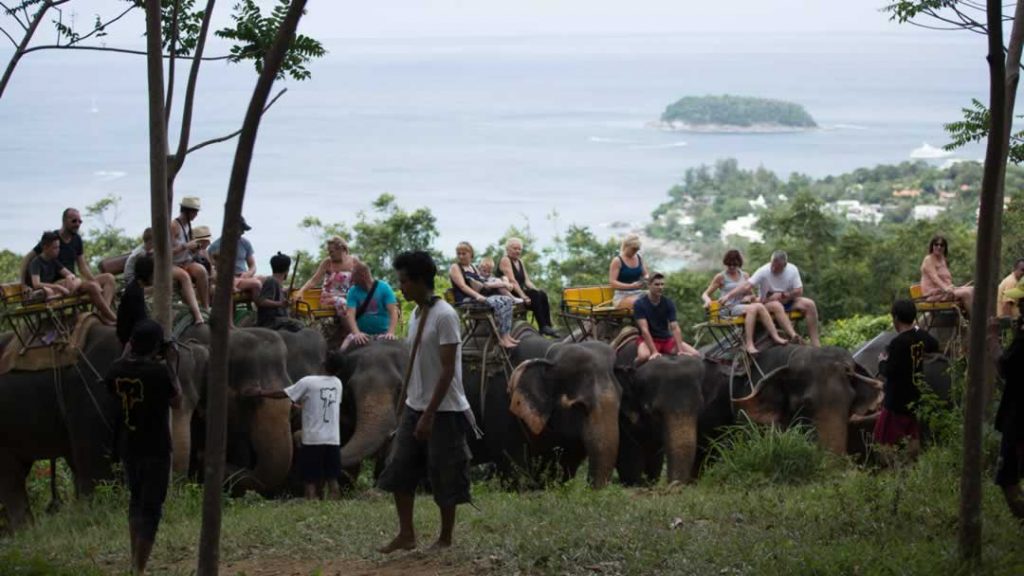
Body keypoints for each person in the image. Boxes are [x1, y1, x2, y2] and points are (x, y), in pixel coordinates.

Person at [378, 251, 473, 553]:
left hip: (443, 410)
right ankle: (406, 534)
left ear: (420, 281)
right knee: (399, 469)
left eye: (404, 281)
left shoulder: (445, 315)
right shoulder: (417, 314)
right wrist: (412, 405)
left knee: (445, 472)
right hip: (414, 404)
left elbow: (447, 370)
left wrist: (429, 414)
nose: (401, 288)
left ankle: (445, 539)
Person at [105, 320, 181, 575]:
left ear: (132, 343)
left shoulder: (115, 370)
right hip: (156, 447)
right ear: (156, 345)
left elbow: (114, 382)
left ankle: (133, 560)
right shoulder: (158, 372)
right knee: (151, 508)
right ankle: (140, 568)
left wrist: (131, 351)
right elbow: (177, 401)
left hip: (129, 445)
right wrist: (171, 362)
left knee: (135, 502)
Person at [244, 356, 344, 500]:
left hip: (313, 439)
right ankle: (334, 505)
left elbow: (284, 393)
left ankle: (310, 502)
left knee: (309, 478)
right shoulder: (337, 383)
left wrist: (260, 392)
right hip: (333, 439)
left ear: (323, 364)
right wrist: (302, 407)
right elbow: (324, 404)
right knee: (332, 478)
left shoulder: (309, 381)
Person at [873, 299, 939, 457]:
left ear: (895, 318)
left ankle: (890, 470)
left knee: (884, 443)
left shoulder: (898, 343)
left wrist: (882, 362)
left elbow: (889, 371)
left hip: (896, 401)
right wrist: (918, 330)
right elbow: (934, 344)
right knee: (911, 439)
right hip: (915, 396)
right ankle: (911, 470)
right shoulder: (920, 337)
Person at [21, 208, 118, 307]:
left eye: (80, 221)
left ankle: (103, 314)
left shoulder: (77, 239)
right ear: (64, 221)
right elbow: (27, 258)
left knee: (109, 278)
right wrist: (23, 285)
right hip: (60, 283)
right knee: (91, 286)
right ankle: (107, 316)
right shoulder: (53, 239)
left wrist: (93, 280)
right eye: (74, 221)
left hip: (72, 280)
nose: (77, 224)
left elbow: (82, 266)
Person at [701, 249, 790, 355]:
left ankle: (775, 336)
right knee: (753, 308)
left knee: (759, 306)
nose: (732, 267)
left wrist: (749, 297)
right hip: (728, 308)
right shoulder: (721, 277)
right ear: (726, 264)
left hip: (742, 306)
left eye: (735, 264)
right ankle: (749, 344)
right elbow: (705, 294)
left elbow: (751, 294)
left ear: (739, 264)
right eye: (729, 265)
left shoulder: (745, 276)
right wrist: (708, 301)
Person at [725, 250, 820, 347]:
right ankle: (794, 336)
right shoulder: (763, 271)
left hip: (788, 300)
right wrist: (728, 296)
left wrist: (785, 295)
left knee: (810, 304)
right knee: (776, 305)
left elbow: (799, 291)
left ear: (784, 265)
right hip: (768, 302)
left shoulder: (792, 270)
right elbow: (746, 286)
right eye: (772, 265)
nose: (773, 269)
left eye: (777, 267)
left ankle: (815, 342)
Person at [24, 231, 117, 324]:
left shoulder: (53, 260)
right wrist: (58, 287)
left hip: (66, 287)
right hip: (51, 290)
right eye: (55, 248)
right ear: (45, 248)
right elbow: (36, 284)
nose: (58, 250)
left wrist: (70, 277)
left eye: (58, 247)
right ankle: (113, 318)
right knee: (87, 285)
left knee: (96, 279)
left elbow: (69, 274)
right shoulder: (36, 262)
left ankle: (103, 314)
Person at [990, 288, 1024, 522]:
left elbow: (1004, 368)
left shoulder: (1022, 342)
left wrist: (992, 339)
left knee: (1007, 477)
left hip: (1019, 418)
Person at [125, 228, 205, 325]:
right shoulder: (140, 255)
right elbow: (136, 280)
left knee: (181, 277)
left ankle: (197, 312)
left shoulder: (149, 252)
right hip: (137, 286)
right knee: (166, 286)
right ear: (150, 242)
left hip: (147, 278)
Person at [448, 241, 519, 348]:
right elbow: (463, 286)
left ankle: (506, 335)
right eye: (459, 254)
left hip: (479, 296)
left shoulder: (473, 267)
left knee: (507, 300)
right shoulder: (455, 267)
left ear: (471, 254)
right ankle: (501, 338)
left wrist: (499, 282)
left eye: (464, 253)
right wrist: (477, 296)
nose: (461, 256)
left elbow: (482, 282)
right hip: (467, 299)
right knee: (499, 302)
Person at [633, 272, 700, 365]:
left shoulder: (668, 303)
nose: (660, 287)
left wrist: (680, 350)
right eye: (656, 284)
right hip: (649, 339)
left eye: (662, 284)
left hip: (666, 339)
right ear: (649, 285)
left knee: (695, 354)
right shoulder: (639, 304)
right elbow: (644, 330)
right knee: (643, 356)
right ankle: (631, 368)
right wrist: (654, 351)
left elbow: (675, 327)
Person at [498, 237, 557, 337]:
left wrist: (536, 289)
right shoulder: (505, 260)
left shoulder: (520, 261)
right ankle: (542, 326)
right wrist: (524, 296)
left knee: (541, 294)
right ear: (508, 249)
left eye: (519, 249)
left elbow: (527, 281)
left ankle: (548, 326)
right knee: (534, 295)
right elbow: (512, 280)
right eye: (514, 248)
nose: (517, 251)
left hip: (520, 290)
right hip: (510, 292)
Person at [340, 261, 399, 351]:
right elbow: (350, 314)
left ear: (362, 275)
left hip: (383, 333)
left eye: (354, 276)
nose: (351, 279)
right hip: (361, 333)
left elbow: (393, 312)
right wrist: (357, 333)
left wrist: (390, 332)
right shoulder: (353, 291)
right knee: (342, 350)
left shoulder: (384, 288)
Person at [296, 236, 357, 319]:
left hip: (349, 298)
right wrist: (301, 291)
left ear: (341, 249)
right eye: (328, 251)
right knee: (343, 304)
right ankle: (354, 331)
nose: (329, 254)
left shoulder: (354, 261)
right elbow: (313, 281)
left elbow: (360, 281)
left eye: (331, 251)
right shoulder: (327, 262)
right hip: (329, 299)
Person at [169, 196, 210, 309]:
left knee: (202, 271)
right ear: (187, 211)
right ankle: (194, 308)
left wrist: (195, 248)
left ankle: (206, 306)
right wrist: (185, 246)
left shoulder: (188, 225)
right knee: (185, 276)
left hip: (186, 261)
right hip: (172, 264)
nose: (196, 215)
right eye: (194, 212)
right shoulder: (173, 226)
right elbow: (167, 251)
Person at [208, 216, 261, 302]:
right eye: (241, 229)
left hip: (244, 276)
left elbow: (253, 265)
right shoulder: (215, 247)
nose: (243, 232)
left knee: (268, 281)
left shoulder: (245, 243)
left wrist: (248, 273)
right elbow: (213, 270)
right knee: (256, 284)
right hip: (229, 279)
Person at [920, 234, 973, 314]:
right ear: (932, 246)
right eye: (936, 244)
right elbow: (935, 278)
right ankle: (976, 321)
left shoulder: (943, 260)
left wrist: (955, 287)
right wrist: (946, 288)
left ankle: (971, 318)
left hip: (945, 292)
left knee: (972, 289)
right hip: (933, 295)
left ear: (945, 248)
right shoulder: (928, 259)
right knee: (966, 293)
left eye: (942, 245)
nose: (939, 247)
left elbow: (946, 280)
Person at [255, 252, 303, 332]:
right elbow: (261, 301)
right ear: (287, 270)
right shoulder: (272, 281)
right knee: (299, 325)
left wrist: (286, 291)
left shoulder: (277, 283)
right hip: (270, 322)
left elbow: (277, 292)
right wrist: (280, 304)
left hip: (277, 320)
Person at [117, 254, 153, 348]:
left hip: (133, 326)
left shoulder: (137, 286)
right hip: (129, 333)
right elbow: (141, 319)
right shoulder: (134, 292)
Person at [609, 233, 648, 309]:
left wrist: (647, 279)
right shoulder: (617, 261)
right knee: (639, 303)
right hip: (622, 295)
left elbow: (646, 274)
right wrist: (631, 286)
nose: (635, 252)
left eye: (637, 250)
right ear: (626, 246)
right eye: (633, 249)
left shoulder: (639, 258)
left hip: (638, 292)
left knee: (657, 298)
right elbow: (612, 282)